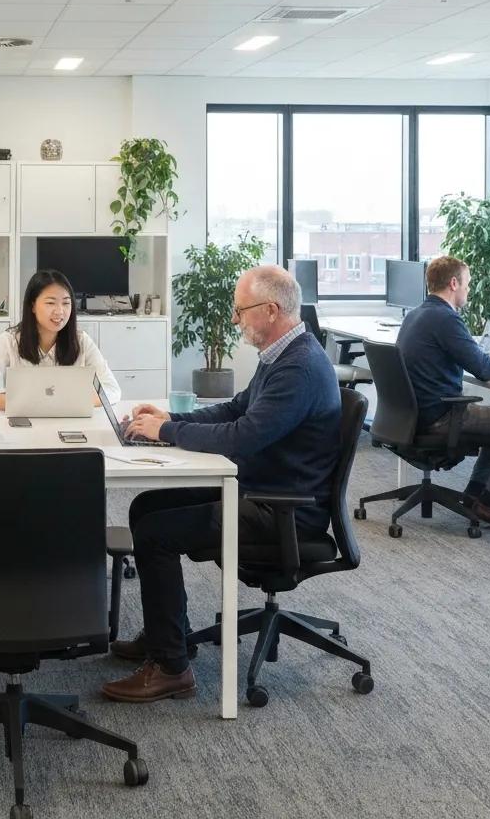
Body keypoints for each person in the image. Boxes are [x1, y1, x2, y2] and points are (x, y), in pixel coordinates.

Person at [100, 264, 341, 704]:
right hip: (260, 488)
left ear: (270, 309)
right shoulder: (283, 355)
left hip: (281, 510)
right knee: (146, 507)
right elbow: (235, 411)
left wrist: (165, 433)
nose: (235, 320)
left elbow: (243, 437)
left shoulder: (298, 368)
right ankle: (166, 636)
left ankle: (172, 668)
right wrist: (171, 420)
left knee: (156, 534)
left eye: (240, 310)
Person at [396, 255, 490, 530]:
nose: (469, 290)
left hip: (415, 415)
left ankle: (474, 495)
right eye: (468, 284)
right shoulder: (445, 319)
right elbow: (483, 370)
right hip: (441, 416)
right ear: (454, 283)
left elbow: (475, 359)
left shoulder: (418, 314)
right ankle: (489, 502)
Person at [0, 269, 121, 409]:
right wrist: (13, 403)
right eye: (50, 303)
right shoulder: (10, 340)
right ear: (33, 306)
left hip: (70, 424)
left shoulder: (81, 340)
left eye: (66, 303)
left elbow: (112, 390)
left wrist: (69, 403)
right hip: (25, 426)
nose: (60, 311)